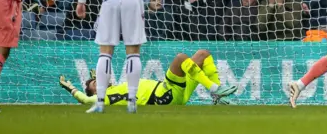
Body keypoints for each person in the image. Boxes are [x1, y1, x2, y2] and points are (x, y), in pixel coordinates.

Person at [59, 49, 237, 106]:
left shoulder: (116, 87)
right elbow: (85, 99)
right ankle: (215, 89)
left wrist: (96, 78)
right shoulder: (104, 98)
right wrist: (71, 88)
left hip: (175, 93)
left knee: (202, 54)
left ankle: (217, 96)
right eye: (96, 84)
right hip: (164, 96)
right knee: (181, 58)